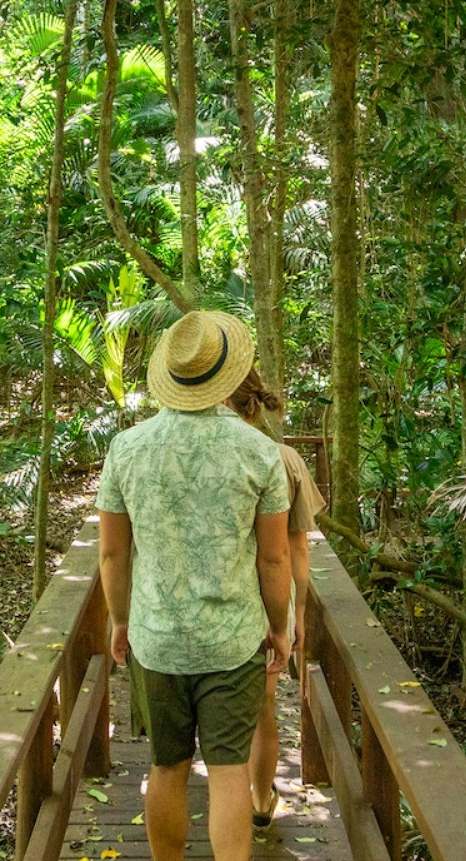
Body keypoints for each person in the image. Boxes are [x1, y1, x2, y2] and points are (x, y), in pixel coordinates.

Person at [96, 310, 295, 861]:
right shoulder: (259, 452)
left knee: (167, 767)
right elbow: (275, 560)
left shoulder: (126, 449)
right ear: (227, 375)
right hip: (232, 639)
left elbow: (112, 552)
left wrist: (120, 620)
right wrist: (280, 630)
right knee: (229, 771)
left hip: (156, 638)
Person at [225, 367, 323, 828]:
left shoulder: (208, 453)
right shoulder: (284, 458)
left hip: (221, 595)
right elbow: (297, 546)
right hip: (271, 598)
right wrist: (296, 612)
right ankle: (261, 802)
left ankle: (229, 796)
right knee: (263, 706)